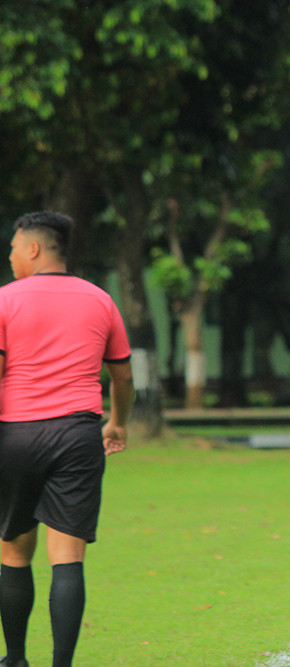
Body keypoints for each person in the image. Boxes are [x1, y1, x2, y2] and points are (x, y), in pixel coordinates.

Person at [0, 212, 133, 667]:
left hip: (14, 434)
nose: (11, 255)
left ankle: (15, 658)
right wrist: (116, 423)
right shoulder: (100, 299)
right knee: (67, 556)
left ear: (34, 249)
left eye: (14, 247)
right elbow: (123, 376)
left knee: (14, 549)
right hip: (78, 434)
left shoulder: (3, 300)